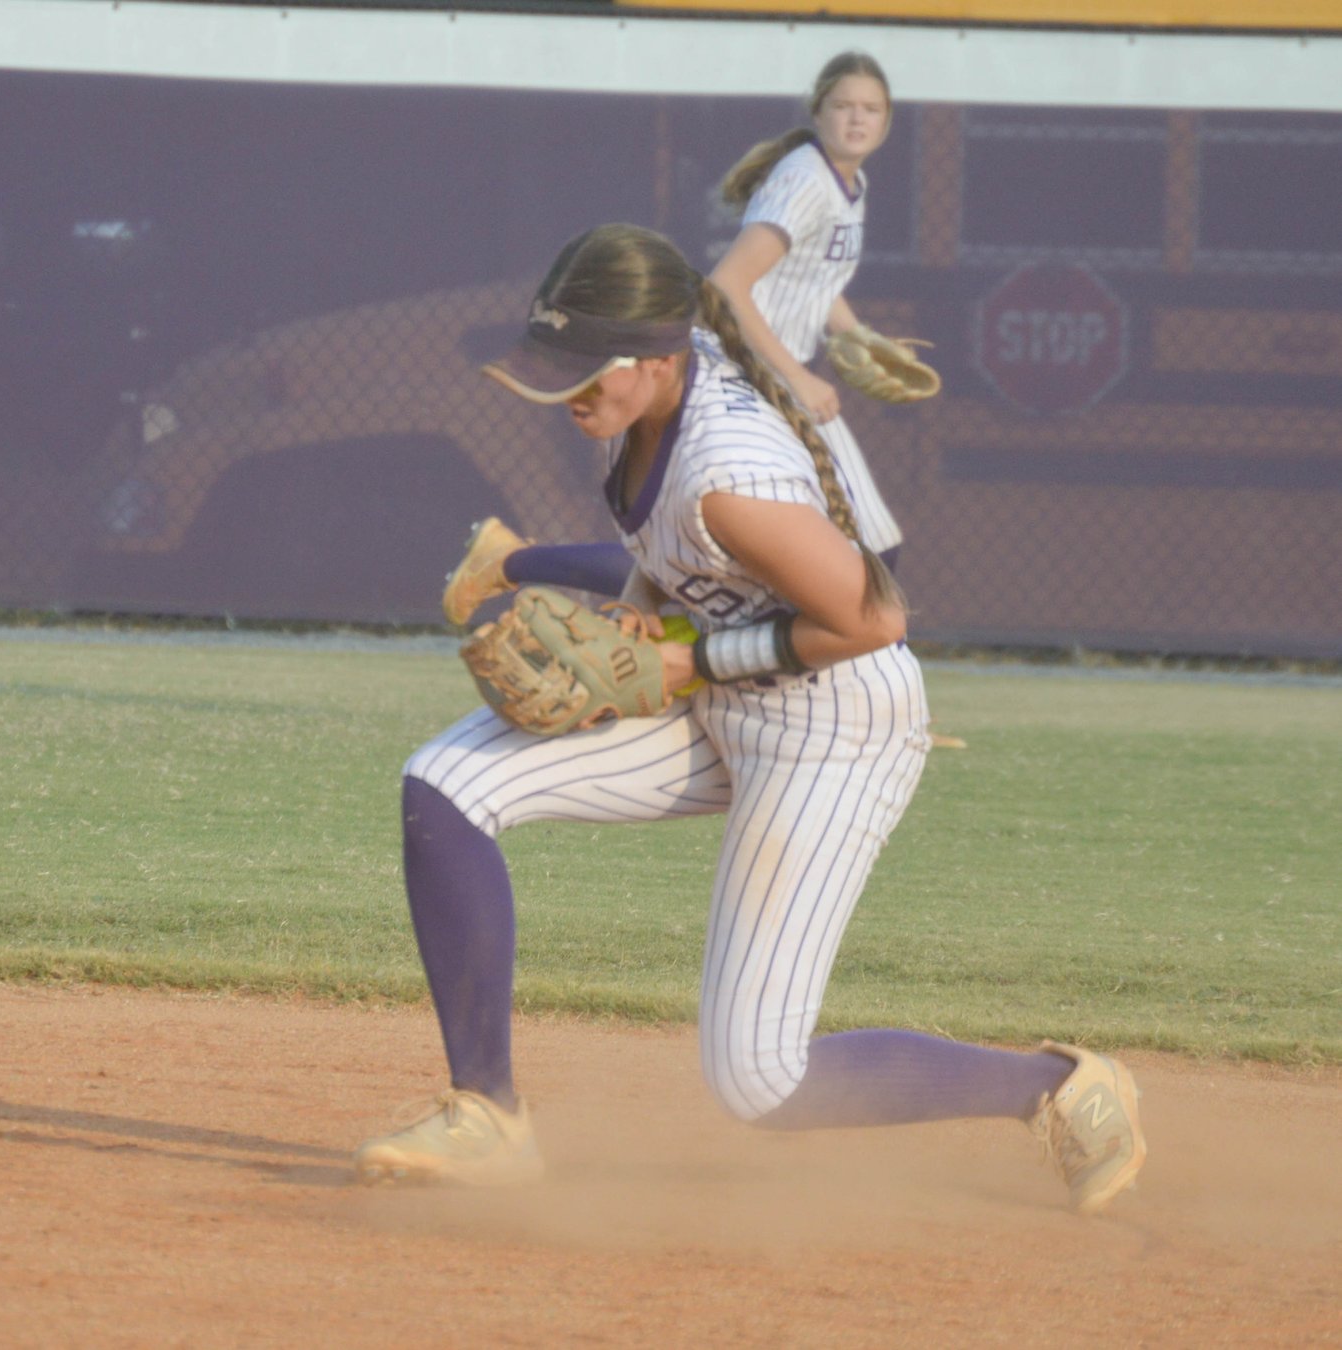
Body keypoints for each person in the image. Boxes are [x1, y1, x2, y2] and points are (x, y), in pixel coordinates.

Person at [354, 222, 1146, 1215]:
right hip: (718, 701)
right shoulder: (638, 418)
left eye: (584, 369)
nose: (567, 392)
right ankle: (488, 1116)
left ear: (655, 357)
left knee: (759, 1079)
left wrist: (689, 656)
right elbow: (679, 564)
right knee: (446, 785)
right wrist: (634, 615)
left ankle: (1053, 1086)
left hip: (829, 729)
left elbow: (873, 617)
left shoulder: (727, 473)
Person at [441, 51, 904, 631]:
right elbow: (730, 284)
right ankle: (514, 560)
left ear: (888, 122)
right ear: (817, 112)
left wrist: (855, 332)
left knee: (781, 555)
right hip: (755, 376)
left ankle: (512, 559)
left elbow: (815, 278)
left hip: (767, 374)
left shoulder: (847, 185)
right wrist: (799, 375)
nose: (857, 119)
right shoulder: (807, 180)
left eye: (871, 109)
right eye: (843, 106)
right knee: (862, 548)